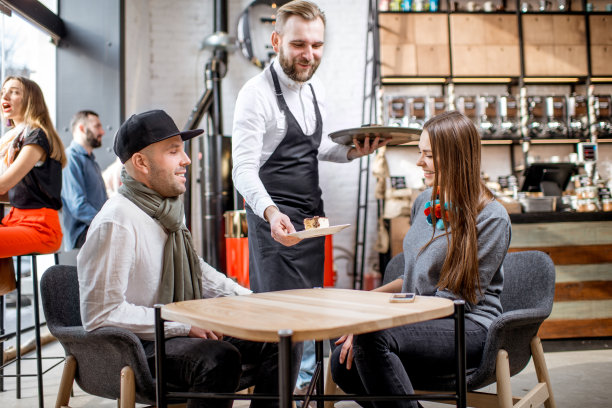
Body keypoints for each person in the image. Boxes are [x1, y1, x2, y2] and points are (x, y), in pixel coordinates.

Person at [231, 1, 387, 395]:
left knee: (310, 319)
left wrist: (355, 150)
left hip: (311, 224)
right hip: (276, 226)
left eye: (317, 45)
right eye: (299, 44)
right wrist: (270, 212)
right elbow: (242, 169)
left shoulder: (310, 91)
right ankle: (279, 398)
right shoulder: (256, 95)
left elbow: (315, 148)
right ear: (276, 40)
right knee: (283, 327)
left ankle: (306, 393)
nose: (309, 54)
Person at [78, 109, 281, 408]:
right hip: (137, 346)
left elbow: (195, 269)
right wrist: (182, 323)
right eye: (174, 152)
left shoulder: (168, 210)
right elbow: (101, 315)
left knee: (280, 334)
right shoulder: (117, 221)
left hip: (170, 330)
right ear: (141, 162)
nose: (186, 160)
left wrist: (251, 301)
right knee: (218, 359)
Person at [330, 111, 512, 408]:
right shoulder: (424, 201)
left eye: (428, 155)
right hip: (423, 319)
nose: (419, 162)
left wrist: (372, 323)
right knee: (341, 360)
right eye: (420, 153)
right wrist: (357, 306)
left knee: (369, 339)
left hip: (468, 325)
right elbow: (414, 278)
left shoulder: (491, 218)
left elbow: (451, 301)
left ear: (455, 158)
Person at [0, 76, 66, 258]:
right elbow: (15, 191)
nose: (5, 96)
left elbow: (3, 185)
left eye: (14, 92)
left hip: (40, 227)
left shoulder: (37, 137)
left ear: (31, 100)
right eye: (3, 92)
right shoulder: (13, 140)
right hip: (15, 219)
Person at [61, 110, 108, 249]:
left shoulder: (91, 161)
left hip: (96, 228)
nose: (102, 132)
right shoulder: (70, 158)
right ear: (82, 128)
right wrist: (107, 222)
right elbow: (78, 206)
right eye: (97, 126)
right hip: (82, 235)